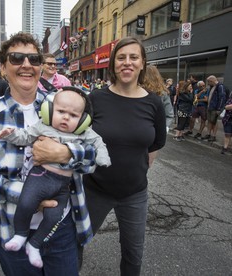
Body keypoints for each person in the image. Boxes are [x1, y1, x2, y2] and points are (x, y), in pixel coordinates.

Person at [0, 32, 96, 275]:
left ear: (39, 66)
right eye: (16, 58)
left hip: (61, 227)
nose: (26, 65)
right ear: (3, 67)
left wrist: (65, 153)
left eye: (34, 59)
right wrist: (26, 196)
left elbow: (92, 157)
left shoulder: (62, 104)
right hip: (11, 229)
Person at [0, 87, 111, 268]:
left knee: (53, 216)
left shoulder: (83, 133)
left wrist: (103, 158)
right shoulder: (43, 126)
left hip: (63, 186)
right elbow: (24, 137)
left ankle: (34, 244)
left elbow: (98, 143)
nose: (66, 117)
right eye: (61, 112)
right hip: (40, 177)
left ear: (82, 120)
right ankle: (21, 234)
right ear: (49, 112)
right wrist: (10, 134)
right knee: (25, 202)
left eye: (73, 115)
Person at [78, 37, 166, 275]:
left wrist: (135, 170)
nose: (127, 63)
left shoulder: (154, 103)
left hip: (134, 194)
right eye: (121, 57)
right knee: (74, 244)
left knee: (133, 254)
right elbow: (78, 137)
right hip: (94, 190)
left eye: (133, 57)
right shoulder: (95, 99)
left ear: (142, 63)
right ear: (113, 64)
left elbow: (156, 143)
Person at [143, 65, 174, 132]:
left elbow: (169, 115)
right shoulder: (137, 90)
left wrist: (164, 129)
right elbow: (169, 115)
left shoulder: (162, 93)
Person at [202, 75, 226, 142]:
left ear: (212, 81)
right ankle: (208, 134)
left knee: (214, 121)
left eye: (209, 82)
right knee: (209, 121)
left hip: (215, 108)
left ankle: (213, 135)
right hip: (210, 106)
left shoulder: (220, 86)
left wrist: (219, 109)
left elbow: (222, 98)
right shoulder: (212, 87)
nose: (208, 83)